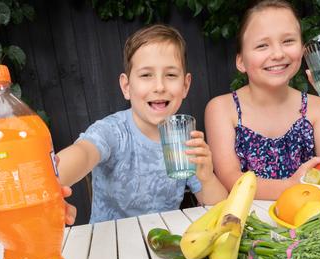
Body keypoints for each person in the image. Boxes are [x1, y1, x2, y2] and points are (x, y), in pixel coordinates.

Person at [57, 24, 228, 223]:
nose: (159, 86)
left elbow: (221, 208)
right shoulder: (113, 131)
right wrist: (50, 183)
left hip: (162, 244)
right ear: (127, 86)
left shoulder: (182, 139)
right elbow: (84, 153)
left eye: (171, 75)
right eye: (146, 75)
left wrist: (206, 178)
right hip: (112, 246)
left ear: (185, 85)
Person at [204, 0, 320, 200]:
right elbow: (231, 180)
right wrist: (292, 186)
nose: (278, 54)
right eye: (262, 45)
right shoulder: (222, 109)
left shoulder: (317, 108)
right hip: (249, 224)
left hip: (309, 222)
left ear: (302, 50)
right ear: (241, 61)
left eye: (288, 41)